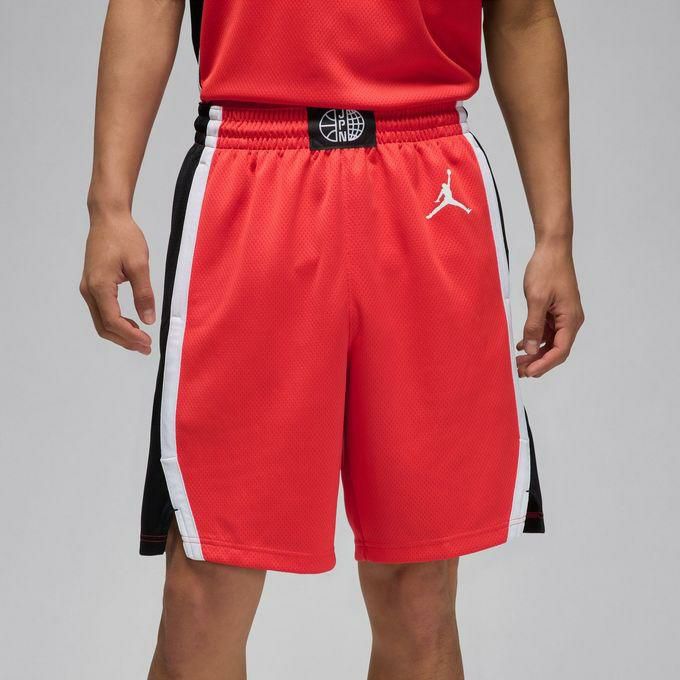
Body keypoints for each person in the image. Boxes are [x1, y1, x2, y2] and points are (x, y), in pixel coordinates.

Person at [79, 0, 584, 677]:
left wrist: (555, 235)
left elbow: (522, 16)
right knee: (203, 589)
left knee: (420, 596)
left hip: (426, 171)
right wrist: (109, 203)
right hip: (251, 162)